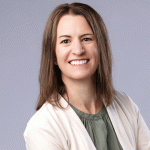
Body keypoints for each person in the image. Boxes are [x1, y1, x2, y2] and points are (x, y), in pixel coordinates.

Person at [24, 2, 150, 150]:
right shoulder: (42, 127)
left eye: (86, 39)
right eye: (66, 41)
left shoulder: (126, 105)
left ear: (100, 47)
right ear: (53, 55)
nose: (78, 50)